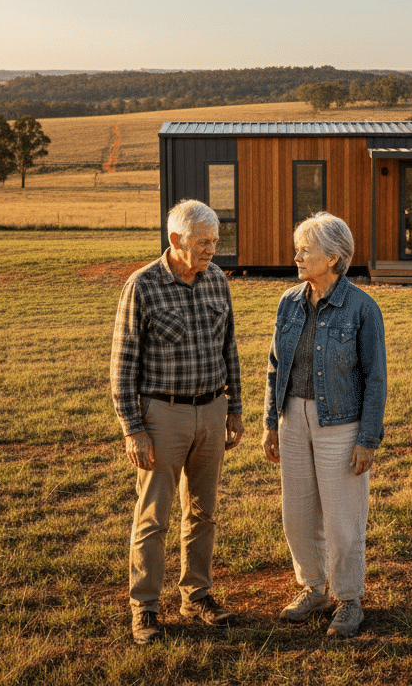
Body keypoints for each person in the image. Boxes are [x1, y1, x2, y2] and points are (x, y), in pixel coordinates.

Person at [110, 199, 244, 646]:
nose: (211, 250)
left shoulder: (217, 282)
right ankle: (145, 607)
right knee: (154, 516)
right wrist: (133, 428)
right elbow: (123, 364)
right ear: (175, 240)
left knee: (204, 512)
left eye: (215, 242)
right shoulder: (142, 285)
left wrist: (234, 408)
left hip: (211, 411)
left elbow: (230, 349)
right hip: (161, 415)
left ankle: (197, 596)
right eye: (203, 242)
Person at [262, 212, 387, 638]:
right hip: (292, 419)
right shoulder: (288, 302)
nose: (297, 256)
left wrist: (367, 438)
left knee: (342, 518)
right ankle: (314, 589)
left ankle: (349, 599)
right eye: (297, 248)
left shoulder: (362, 308)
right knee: (297, 513)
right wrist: (271, 423)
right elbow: (274, 366)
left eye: (305, 250)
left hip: (341, 425)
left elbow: (376, 378)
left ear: (333, 257)